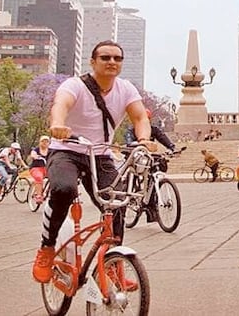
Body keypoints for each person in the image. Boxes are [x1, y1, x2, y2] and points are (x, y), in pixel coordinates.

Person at [32, 40, 152, 284]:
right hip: (67, 150)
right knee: (63, 190)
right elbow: (61, 105)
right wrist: (57, 125)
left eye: (117, 59)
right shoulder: (74, 85)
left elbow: (140, 116)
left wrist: (143, 140)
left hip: (101, 153)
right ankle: (46, 248)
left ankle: (111, 264)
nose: (112, 62)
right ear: (93, 61)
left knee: (117, 203)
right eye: (106, 58)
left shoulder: (126, 89)